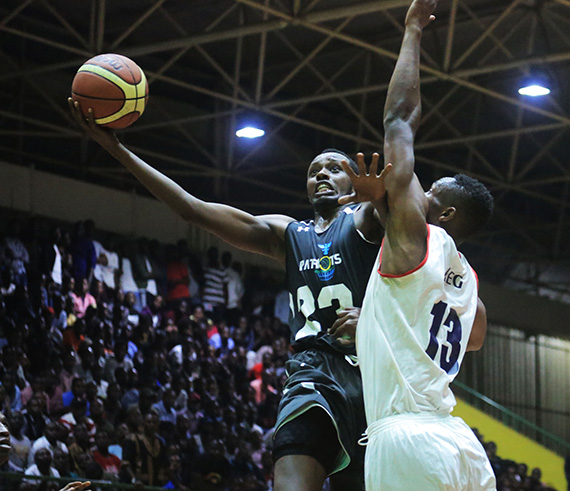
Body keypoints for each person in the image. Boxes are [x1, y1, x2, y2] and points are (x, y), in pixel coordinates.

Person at [68, 98, 385, 491]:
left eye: (334, 169)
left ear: (354, 182)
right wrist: (115, 148)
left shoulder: (369, 220)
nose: (321, 174)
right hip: (311, 372)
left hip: (371, 377)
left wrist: (382, 198)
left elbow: (412, 210)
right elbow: (192, 209)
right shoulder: (288, 233)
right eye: (313, 171)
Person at [352, 1, 494, 488]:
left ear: (446, 214)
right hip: (461, 445)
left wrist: (412, 29)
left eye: (430, 192)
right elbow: (473, 339)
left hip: (407, 439)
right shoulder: (469, 282)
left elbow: (399, 119)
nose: (420, 190)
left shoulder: (416, 236)